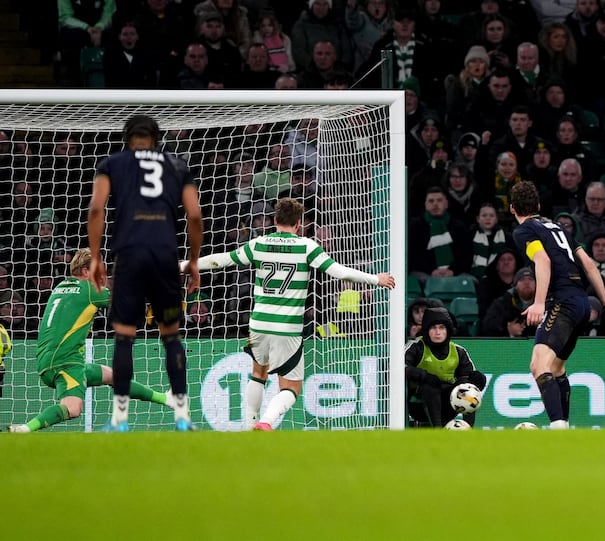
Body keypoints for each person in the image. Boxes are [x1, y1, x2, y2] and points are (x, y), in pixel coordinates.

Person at [182, 197, 395, 431]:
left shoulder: (259, 244)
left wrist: (184, 265)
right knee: (291, 388)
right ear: (299, 223)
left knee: (257, 374)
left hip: (258, 324)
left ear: (275, 220)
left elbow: (220, 261)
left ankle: (248, 426)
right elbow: (339, 272)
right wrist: (376, 279)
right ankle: (265, 423)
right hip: (287, 327)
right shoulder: (306, 246)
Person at [87, 114, 203, 432]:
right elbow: (194, 215)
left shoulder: (112, 163)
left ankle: (120, 420)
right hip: (165, 257)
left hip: (129, 256)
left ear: (127, 139)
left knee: (124, 337)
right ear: (157, 139)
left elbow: (97, 209)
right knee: (171, 336)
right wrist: (193, 260)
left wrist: (96, 258)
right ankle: (182, 415)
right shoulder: (177, 165)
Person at [7, 249, 176, 433]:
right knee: (73, 408)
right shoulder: (90, 290)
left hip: (48, 359)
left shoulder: (61, 287)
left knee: (114, 375)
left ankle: (166, 399)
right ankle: (25, 429)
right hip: (66, 362)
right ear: (86, 272)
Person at [509, 181, 605, 429]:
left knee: (538, 366)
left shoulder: (524, 231)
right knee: (557, 368)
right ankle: (565, 426)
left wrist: (539, 303)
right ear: (538, 206)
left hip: (561, 302)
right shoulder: (558, 228)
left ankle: (557, 428)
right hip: (582, 303)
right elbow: (589, 264)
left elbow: (542, 261)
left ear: (512, 209)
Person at [405, 307, 487, 428]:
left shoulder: (458, 351)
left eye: (442, 328)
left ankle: (468, 428)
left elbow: (466, 379)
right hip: (419, 404)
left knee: (467, 386)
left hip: (448, 405)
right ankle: (438, 431)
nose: (438, 332)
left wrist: (476, 381)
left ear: (448, 330)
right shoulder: (416, 347)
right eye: (433, 328)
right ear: (426, 330)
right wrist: (424, 376)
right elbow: (401, 367)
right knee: (430, 386)